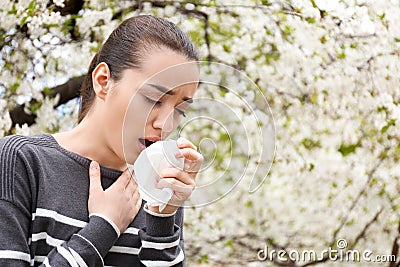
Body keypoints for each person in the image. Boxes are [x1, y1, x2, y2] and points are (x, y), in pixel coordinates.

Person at [0, 15, 203, 266]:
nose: (166, 124)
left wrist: (163, 218)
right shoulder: (22, 162)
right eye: (153, 99)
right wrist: (103, 227)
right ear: (103, 81)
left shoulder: (159, 186)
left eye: (180, 110)